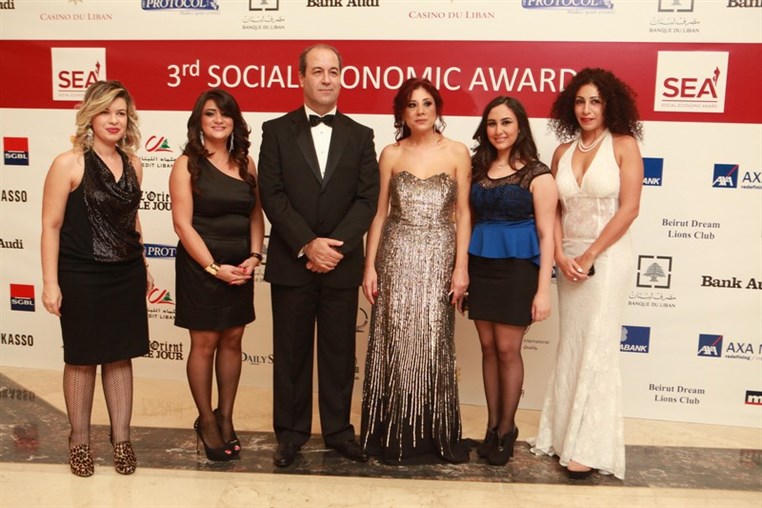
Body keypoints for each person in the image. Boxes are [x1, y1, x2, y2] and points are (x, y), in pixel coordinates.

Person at [257, 44, 379, 467]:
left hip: (341, 265)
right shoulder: (275, 130)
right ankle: (290, 434)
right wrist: (308, 243)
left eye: (333, 71)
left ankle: (339, 431)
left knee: (339, 354)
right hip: (292, 262)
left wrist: (333, 247)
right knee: (290, 354)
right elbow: (272, 194)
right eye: (317, 71)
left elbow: (367, 200)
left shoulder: (361, 135)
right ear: (301, 78)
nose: (327, 79)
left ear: (341, 78)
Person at [530, 68, 643, 480]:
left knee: (597, 344)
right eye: (580, 101)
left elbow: (629, 209)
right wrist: (560, 254)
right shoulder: (562, 152)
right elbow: (556, 210)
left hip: (607, 257)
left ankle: (590, 446)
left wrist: (592, 252)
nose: (587, 109)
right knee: (574, 344)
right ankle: (564, 436)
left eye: (595, 101)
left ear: (609, 105)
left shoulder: (624, 145)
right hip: (570, 259)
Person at [41, 80, 151, 477]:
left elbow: (130, 219)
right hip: (81, 274)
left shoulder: (134, 163)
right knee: (82, 359)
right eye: (106, 111)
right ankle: (79, 441)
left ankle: (121, 440)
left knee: (120, 357)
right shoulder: (68, 163)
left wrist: (144, 264)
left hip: (126, 273)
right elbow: (51, 226)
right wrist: (50, 283)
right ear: (91, 115)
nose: (114, 119)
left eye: (121, 113)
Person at [361, 77, 471, 465]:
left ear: (437, 108)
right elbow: (379, 214)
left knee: (433, 340)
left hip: (440, 256)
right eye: (412, 105)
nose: (420, 111)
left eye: (427, 103)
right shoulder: (391, 153)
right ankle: (390, 434)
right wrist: (369, 267)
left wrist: (461, 267)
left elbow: (464, 214)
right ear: (402, 113)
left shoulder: (457, 152)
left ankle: (431, 435)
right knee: (394, 339)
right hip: (396, 255)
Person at [169, 89, 265, 462]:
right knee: (205, 343)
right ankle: (206, 421)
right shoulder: (186, 164)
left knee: (233, 339)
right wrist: (212, 267)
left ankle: (226, 416)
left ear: (234, 121)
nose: (218, 120)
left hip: (239, 265)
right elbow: (182, 224)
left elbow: (255, 214)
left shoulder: (246, 163)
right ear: (199, 121)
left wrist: (254, 256)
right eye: (210, 113)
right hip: (202, 266)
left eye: (225, 114)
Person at [468, 96, 557, 466]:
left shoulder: (538, 174)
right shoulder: (476, 168)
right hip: (480, 265)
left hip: (518, 269)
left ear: (520, 126)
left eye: (506, 122)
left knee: (507, 349)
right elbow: (468, 219)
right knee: (488, 348)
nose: (498, 130)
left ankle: (507, 428)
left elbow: (548, 235)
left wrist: (543, 290)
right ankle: (491, 427)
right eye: (492, 123)